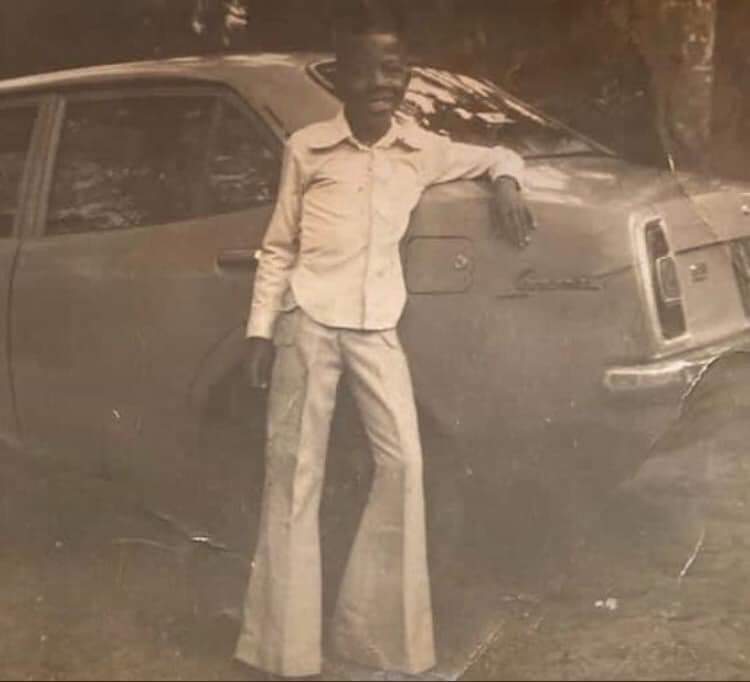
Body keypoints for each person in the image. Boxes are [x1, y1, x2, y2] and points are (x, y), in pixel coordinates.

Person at [235, 1, 534, 677]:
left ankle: (376, 640)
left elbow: (498, 152)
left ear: (406, 76)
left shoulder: (420, 150)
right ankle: (282, 651)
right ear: (342, 77)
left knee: (403, 465)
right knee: (294, 477)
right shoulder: (307, 148)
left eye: (392, 69)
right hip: (307, 321)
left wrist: (507, 181)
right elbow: (278, 248)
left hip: (376, 329)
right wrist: (260, 331)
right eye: (365, 70)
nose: (380, 82)